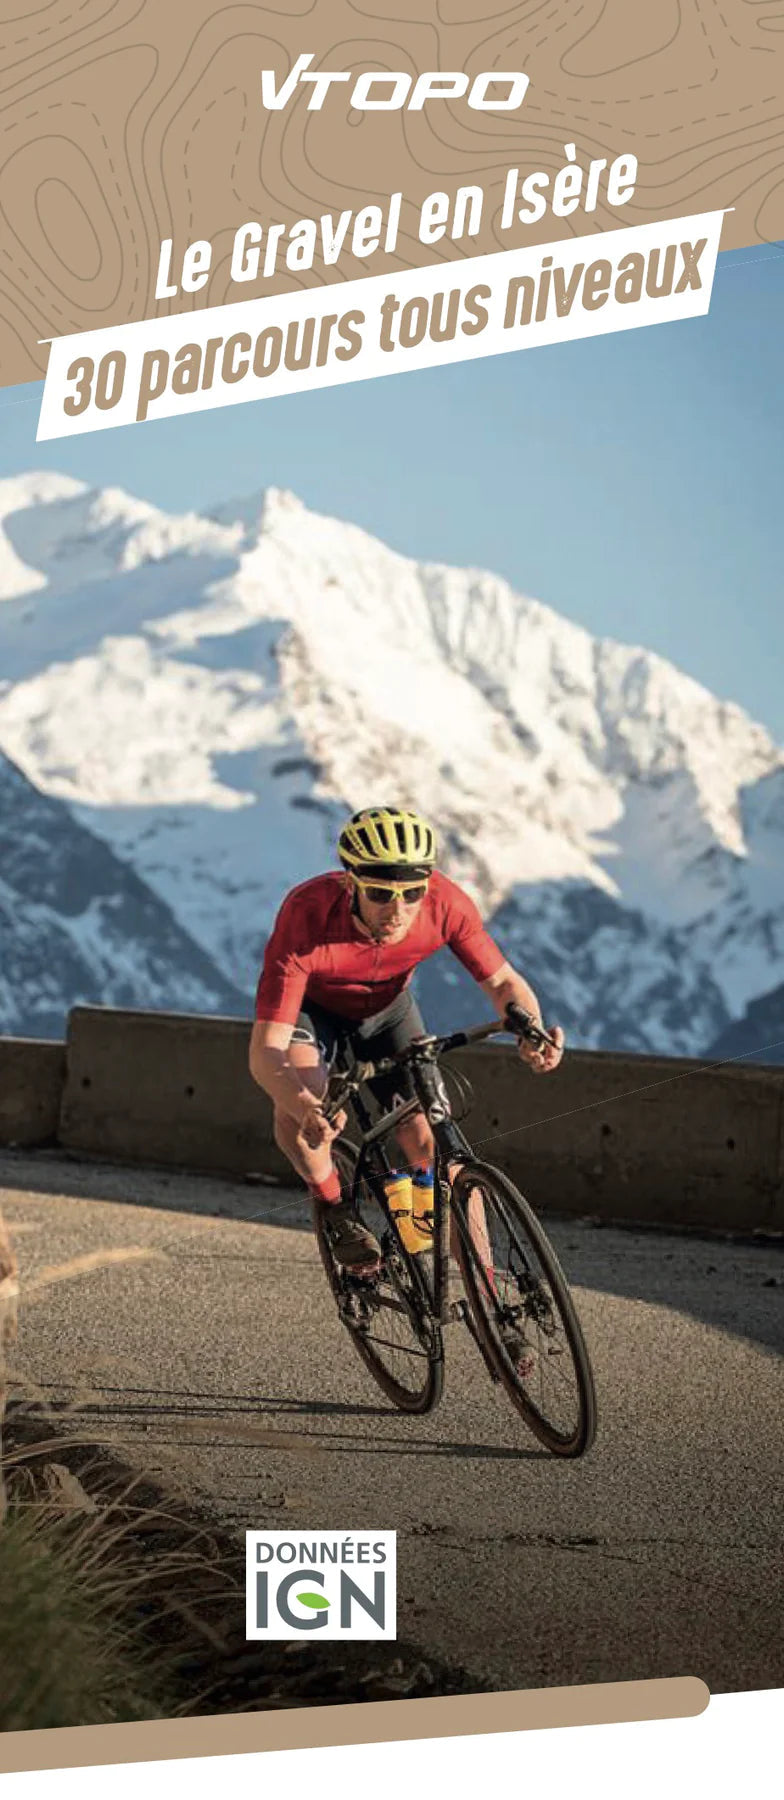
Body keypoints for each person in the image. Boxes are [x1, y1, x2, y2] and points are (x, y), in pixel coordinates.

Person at [249, 806, 564, 1272]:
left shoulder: (446, 904)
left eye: (412, 893)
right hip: (313, 1012)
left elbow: (503, 986)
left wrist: (531, 1028)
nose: (397, 911)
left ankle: (488, 1298)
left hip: (389, 1013)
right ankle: (335, 1205)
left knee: (430, 1143)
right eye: (380, 894)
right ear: (351, 882)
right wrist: (303, 1106)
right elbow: (265, 1051)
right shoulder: (307, 914)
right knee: (303, 1097)